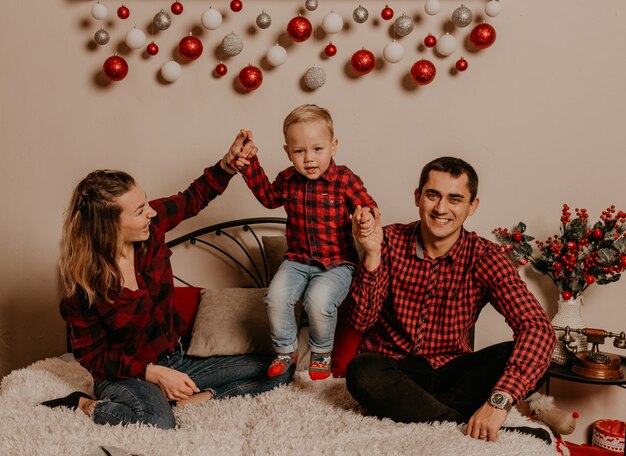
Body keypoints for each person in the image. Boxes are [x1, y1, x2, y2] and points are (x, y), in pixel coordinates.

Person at [42, 130, 295, 429]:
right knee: (159, 422)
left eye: (146, 202)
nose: (151, 211)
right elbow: (92, 356)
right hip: (126, 377)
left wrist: (228, 164)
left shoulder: (151, 228)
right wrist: (153, 374)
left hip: (176, 359)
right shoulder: (85, 285)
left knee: (279, 369)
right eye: (139, 210)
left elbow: (192, 198)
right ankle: (83, 403)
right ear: (109, 226)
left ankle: (191, 399)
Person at [346, 156, 556, 443]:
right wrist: (371, 254)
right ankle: (457, 424)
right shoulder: (389, 240)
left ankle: (428, 412)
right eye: (433, 195)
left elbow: (536, 327)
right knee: (361, 370)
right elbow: (361, 320)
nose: (441, 209)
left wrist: (499, 402)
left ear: (472, 206)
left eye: (455, 199)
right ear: (418, 197)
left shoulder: (486, 257)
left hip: (453, 373)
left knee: (535, 355)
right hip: (393, 370)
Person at [236, 104, 378, 380]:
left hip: (337, 263)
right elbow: (268, 197)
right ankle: (285, 350)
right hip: (297, 260)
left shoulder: (344, 179)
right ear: (288, 152)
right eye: (299, 151)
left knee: (319, 300)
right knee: (275, 297)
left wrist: (365, 217)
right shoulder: (287, 180)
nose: (309, 159)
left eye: (317, 149)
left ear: (333, 146)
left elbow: (367, 205)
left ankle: (321, 353)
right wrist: (250, 163)